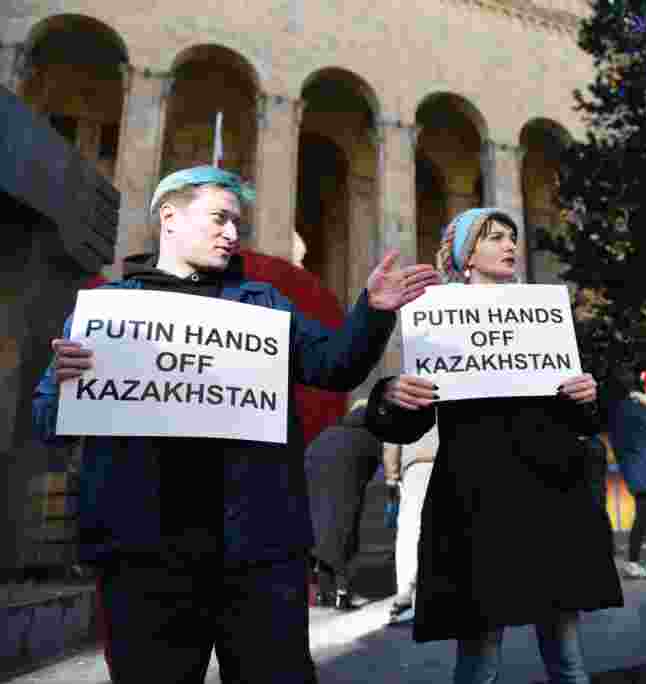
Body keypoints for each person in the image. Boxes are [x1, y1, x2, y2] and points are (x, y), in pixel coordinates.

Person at [32, 165, 441, 684]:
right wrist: (66, 385)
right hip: (144, 556)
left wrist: (372, 311)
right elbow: (48, 424)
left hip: (258, 552)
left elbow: (336, 366)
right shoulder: (108, 311)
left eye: (238, 225)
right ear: (170, 217)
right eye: (220, 219)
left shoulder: (263, 304)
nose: (232, 234)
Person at [365, 208, 623, 684]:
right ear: (467, 256)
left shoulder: (542, 317)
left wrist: (586, 396)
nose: (510, 246)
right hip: (477, 504)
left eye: (512, 237)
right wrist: (391, 394)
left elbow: (581, 418)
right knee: (480, 661)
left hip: (550, 495)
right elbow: (402, 426)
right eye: (495, 237)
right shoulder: (437, 319)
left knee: (567, 658)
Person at [304, 399, 380, 611]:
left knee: (320, 538)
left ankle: (320, 593)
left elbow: (309, 455)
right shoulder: (369, 435)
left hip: (314, 489)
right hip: (347, 493)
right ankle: (342, 595)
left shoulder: (329, 431)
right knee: (344, 538)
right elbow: (373, 466)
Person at [606, 367, 646, 580]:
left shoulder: (614, 412)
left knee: (641, 517)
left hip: (632, 471)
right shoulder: (641, 408)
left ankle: (633, 561)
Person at [382, 424, 438, 624]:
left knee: (411, 533)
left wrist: (391, 477)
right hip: (451, 461)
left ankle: (405, 598)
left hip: (417, 466)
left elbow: (393, 436)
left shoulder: (409, 394)